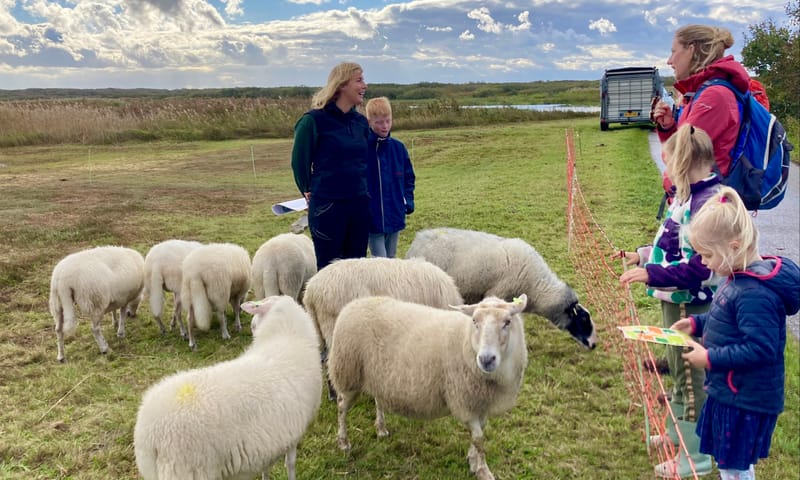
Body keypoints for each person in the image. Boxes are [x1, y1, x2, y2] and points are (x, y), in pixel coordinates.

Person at [672, 186, 800, 480]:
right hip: (731, 390)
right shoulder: (736, 279)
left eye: (706, 255)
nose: (702, 262)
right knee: (729, 460)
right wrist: (696, 325)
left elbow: (760, 348)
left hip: (746, 397)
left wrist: (711, 359)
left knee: (734, 465)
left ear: (734, 245)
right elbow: (726, 320)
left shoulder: (755, 293)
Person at [620, 124, 721, 478]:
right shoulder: (686, 197)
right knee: (677, 370)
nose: (666, 172)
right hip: (674, 300)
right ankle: (674, 435)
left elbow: (700, 267)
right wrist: (643, 256)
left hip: (689, 304)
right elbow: (671, 247)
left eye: (669, 165)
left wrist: (653, 274)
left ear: (684, 163)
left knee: (691, 377)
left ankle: (696, 458)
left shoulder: (706, 204)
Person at [651, 24, 751, 202]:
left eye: (674, 51)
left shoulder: (713, 97)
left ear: (691, 50)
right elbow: (681, 149)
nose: (669, 60)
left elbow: (681, 160)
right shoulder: (703, 93)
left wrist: (672, 193)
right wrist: (668, 127)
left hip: (705, 206)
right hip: (703, 200)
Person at [291, 62, 370, 271]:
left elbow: (366, 162)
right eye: (359, 80)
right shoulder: (313, 121)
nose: (365, 85)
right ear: (342, 84)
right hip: (328, 207)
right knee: (330, 272)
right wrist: (308, 190)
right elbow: (299, 162)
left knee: (356, 270)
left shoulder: (361, 123)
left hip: (359, 205)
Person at [364, 97, 416, 258]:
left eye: (388, 121)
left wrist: (408, 200)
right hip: (372, 219)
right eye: (379, 122)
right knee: (380, 261)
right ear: (369, 122)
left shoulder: (399, 148)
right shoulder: (362, 149)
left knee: (391, 258)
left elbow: (409, 178)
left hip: (395, 213)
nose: (385, 126)